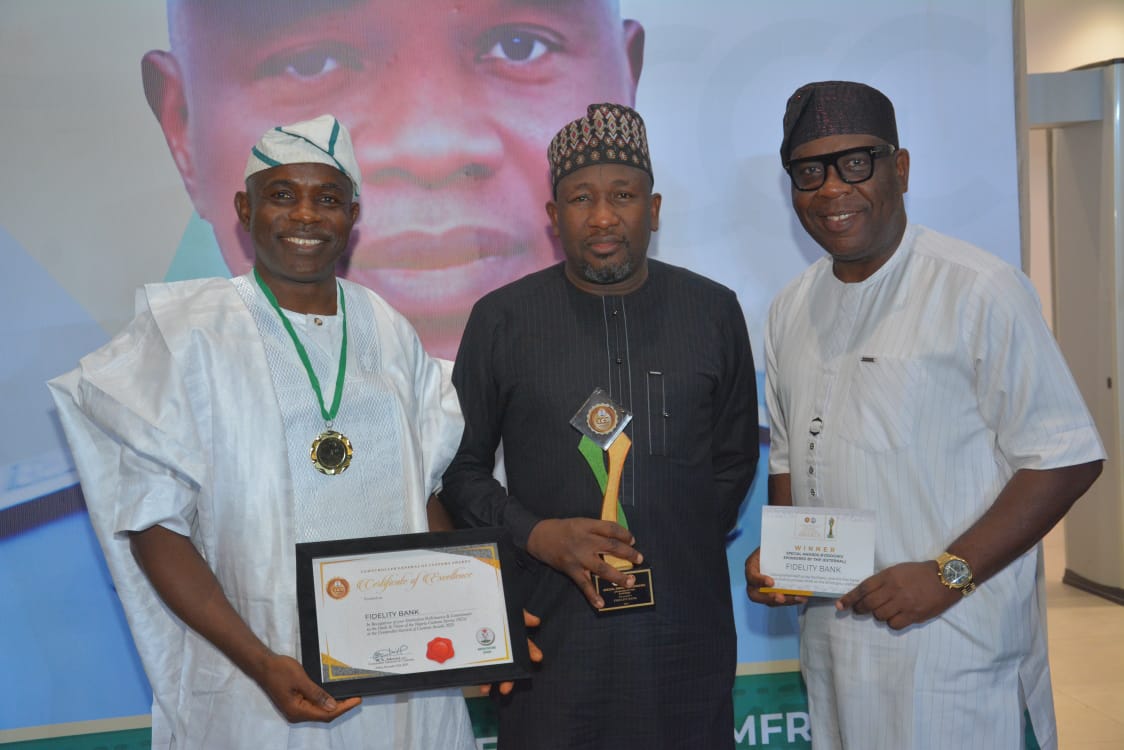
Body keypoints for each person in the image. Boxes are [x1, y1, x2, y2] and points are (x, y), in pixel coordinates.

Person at [48, 116, 477, 749]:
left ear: (353, 216)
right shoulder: (189, 333)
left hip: (399, 674)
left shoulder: (388, 329)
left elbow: (424, 496)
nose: (305, 215)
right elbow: (154, 527)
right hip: (256, 678)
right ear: (245, 209)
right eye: (282, 195)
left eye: (327, 198)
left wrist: (476, 611)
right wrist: (260, 662)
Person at [744, 81, 1105, 749]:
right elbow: (791, 456)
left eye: (856, 163)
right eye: (809, 171)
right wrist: (785, 562)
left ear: (900, 168)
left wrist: (947, 575)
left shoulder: (978, 289)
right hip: (835, 648)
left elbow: (1065, 457)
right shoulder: (790, 308)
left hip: (956, 648)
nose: (832, 188)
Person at [441, 102, 759, 749]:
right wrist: (538, 536)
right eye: (581, 198)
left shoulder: (713, 312)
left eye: (624, 195)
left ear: (655, 208)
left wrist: (670, 539)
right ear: (554, 215)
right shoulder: (502, 320)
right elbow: (459, 471)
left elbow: (733, 460)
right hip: (552, 634)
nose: (604, 216)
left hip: (685, 635)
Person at [145, 0, 645, 358]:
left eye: (519, 47)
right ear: (182, 134)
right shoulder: (145, 422)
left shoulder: (686, 369)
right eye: (310, 63)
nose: (432, 149)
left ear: (628, 88)